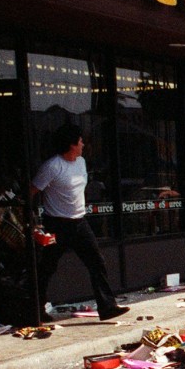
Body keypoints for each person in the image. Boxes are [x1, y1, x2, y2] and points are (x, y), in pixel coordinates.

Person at [31, 125, 128, 323]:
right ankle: (35, 308)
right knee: (47, 267)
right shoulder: (52, 166)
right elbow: (32, 190)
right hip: (56, 224)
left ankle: (107, 306)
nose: (83, 144)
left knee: (96, 261)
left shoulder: (81, 162)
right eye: (80, 140)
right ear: (71, 144)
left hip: (79, 222)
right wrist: (33, 219)